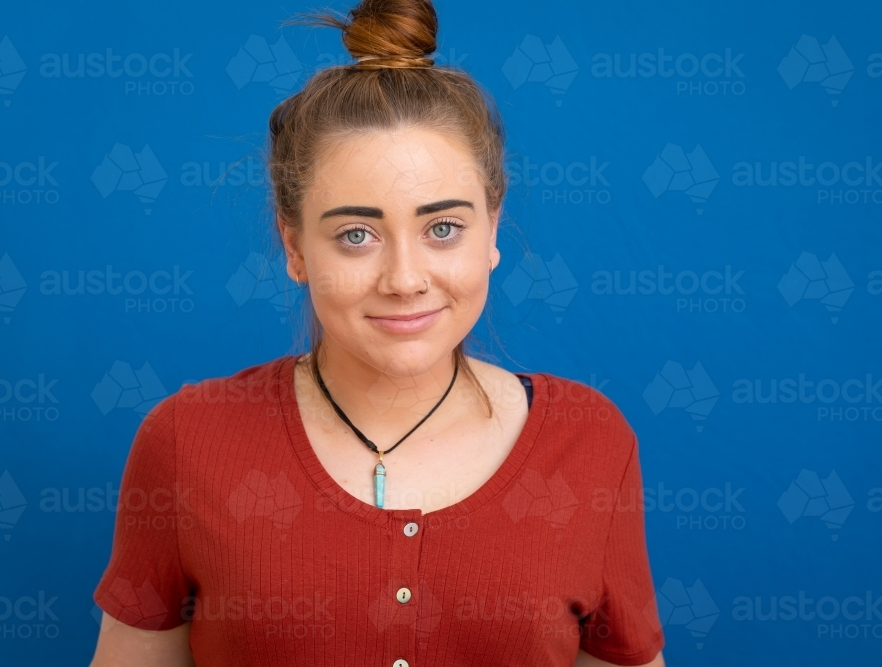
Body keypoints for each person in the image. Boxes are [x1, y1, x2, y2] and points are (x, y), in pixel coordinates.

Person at [89, 1, 665, 665]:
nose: (404, 277)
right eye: (356, 235)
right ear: (294, 245)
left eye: (443, 228)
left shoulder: (590, 442)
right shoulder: (185, 442)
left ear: (493, 230)